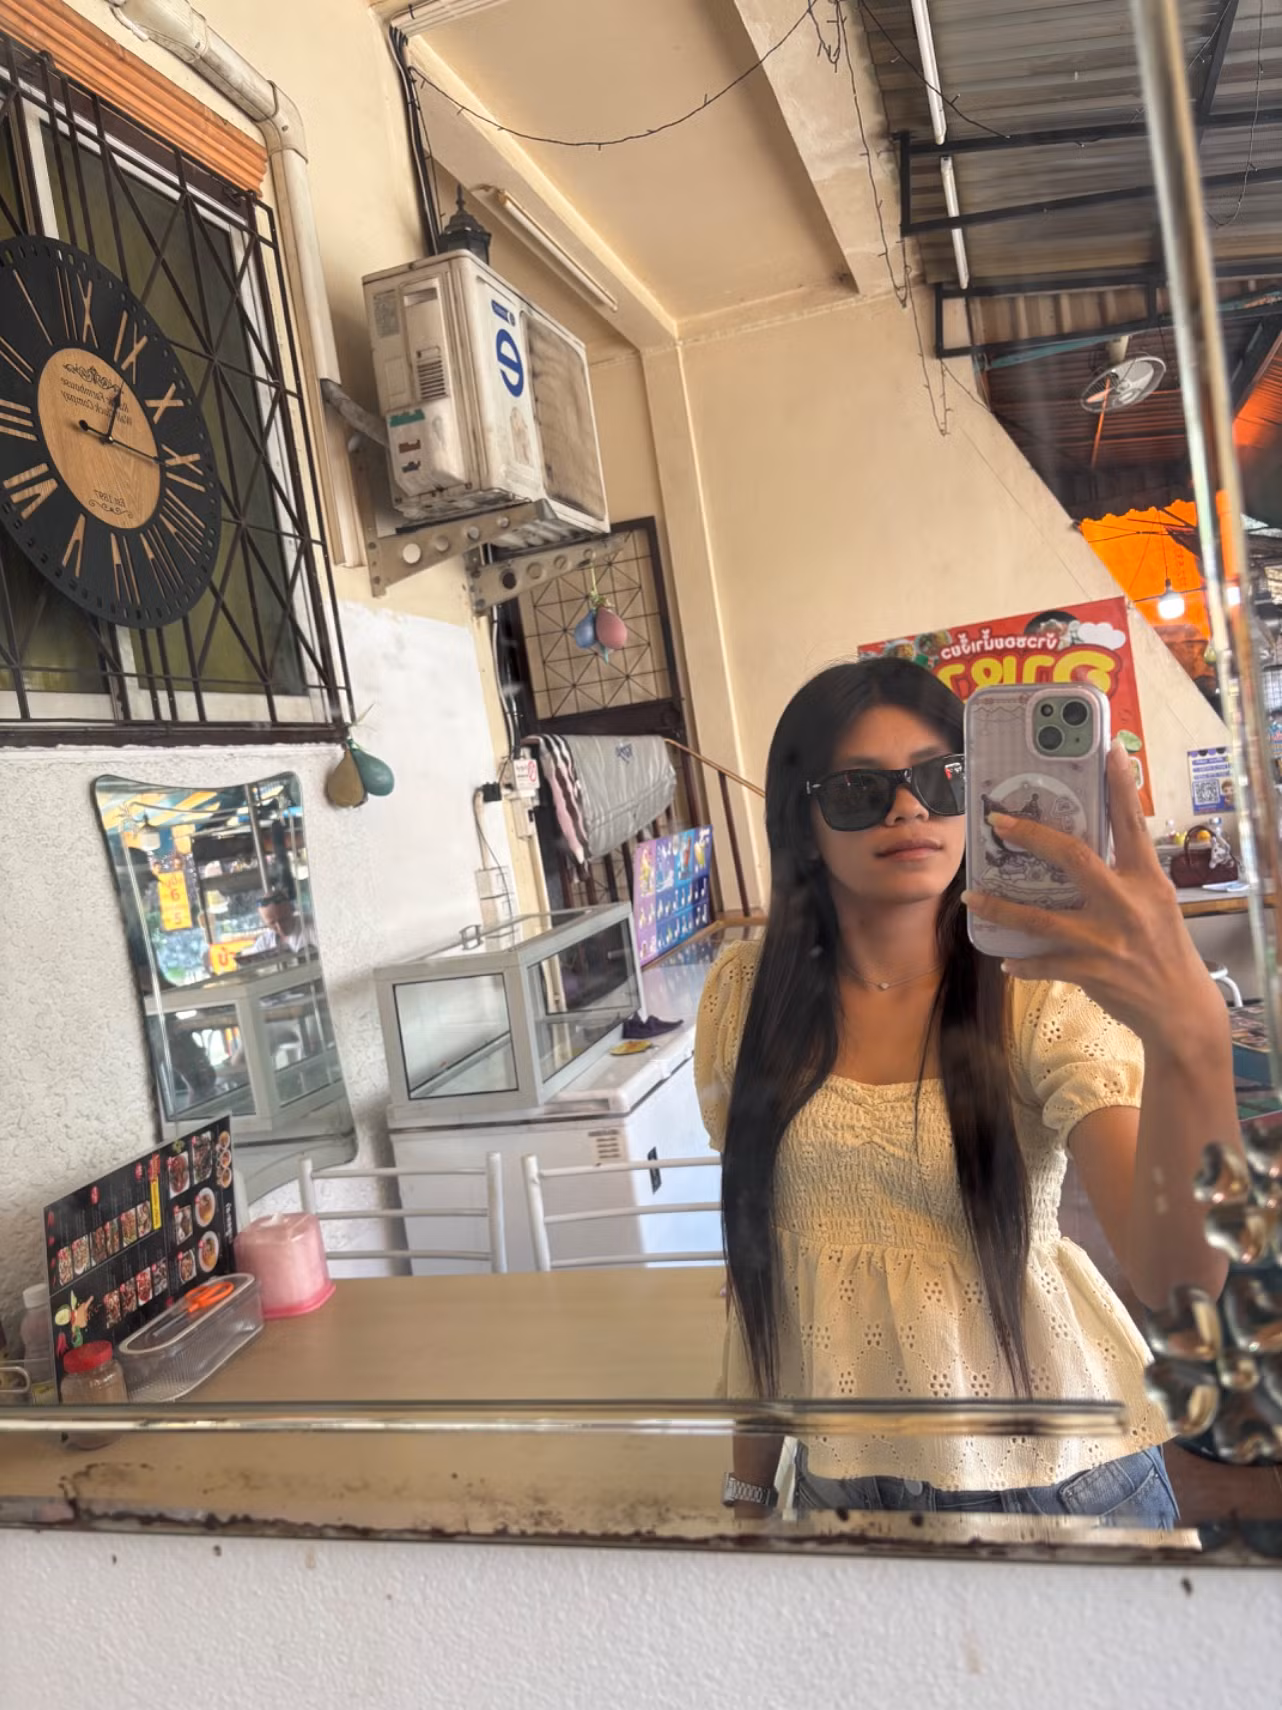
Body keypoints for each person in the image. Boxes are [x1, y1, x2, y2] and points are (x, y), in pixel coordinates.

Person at [695, 658, 1238, 1525]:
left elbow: (1177, 1284)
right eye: (859, 790)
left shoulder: (1037, 992)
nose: (909, 810)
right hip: (840, 1488)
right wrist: (749, 1489)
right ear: (802, 822)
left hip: (1061, 1489)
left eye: (941, 779)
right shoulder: (745, 996)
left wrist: (1193, 1040)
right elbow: (762, 1268)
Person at [244, 890, 317, 958]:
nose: (280, 927)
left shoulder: (314, 926)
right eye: (272, 923)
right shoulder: (263, 943)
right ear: (264, 923)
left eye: (283, 919)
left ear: (292, 909)